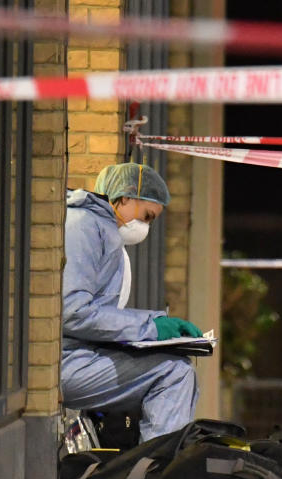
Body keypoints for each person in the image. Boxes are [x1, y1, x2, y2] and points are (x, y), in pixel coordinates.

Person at [61, 162, 202, 442]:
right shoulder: (82, 226)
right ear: (125, 197)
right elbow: (73, 312)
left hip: (78, 355)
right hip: (63, 362)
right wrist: (151, 326)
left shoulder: (100, 228)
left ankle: (154, 468)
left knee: (176, 365)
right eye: (147, 216)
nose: (146, 226)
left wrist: (153, 328)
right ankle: (156, 473)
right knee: (174, 373)